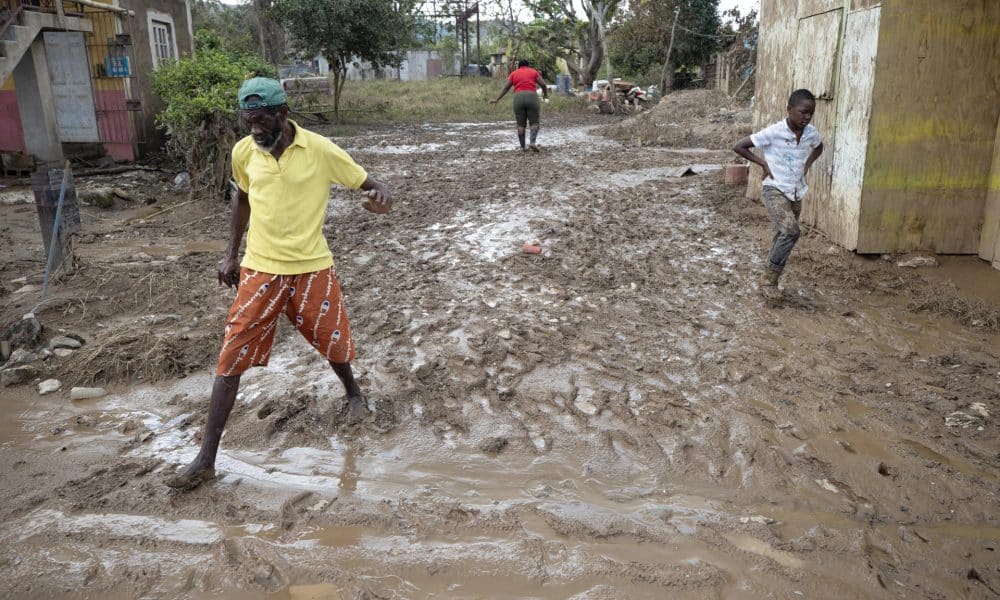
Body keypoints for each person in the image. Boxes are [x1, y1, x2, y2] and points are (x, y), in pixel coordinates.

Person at [165, 77, 392, 490]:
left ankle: (354, 394)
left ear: (283, 115)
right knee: (231, 356)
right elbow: (243, 197)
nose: (256, 132)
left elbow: (375, 186)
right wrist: (230, 254)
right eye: (249, 124)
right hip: (261, 270)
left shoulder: (321, 150)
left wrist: (381, 201)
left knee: (333, 342)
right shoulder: (244, 152)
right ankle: (205, 458)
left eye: (262, 123)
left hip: (312, 268)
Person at [733, 89, 824, 298]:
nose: (807, 117)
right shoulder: (774, 132)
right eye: (803, 112)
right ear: (789, 110)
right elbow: (739, 146)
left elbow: (819, 147)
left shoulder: (811, 133)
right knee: (791, 231)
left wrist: (807, 164)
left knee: (784, 234)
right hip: (774, 188)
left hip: (796, 191)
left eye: (811, 113)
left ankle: (768, 276)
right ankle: (769, 282)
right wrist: (762, 163)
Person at [490, 59, 549, 152]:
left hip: (518, 98)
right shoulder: (533, 72)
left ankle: (522, 147)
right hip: (532, 97)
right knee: (534, 122)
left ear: (519, 66)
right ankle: (532, 143)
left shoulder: (514, 73)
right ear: (528, 65)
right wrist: (545, 95)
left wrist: (497, 99)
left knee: (521, 124)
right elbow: (543, 84)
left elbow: (506, 88)